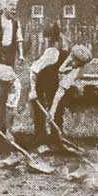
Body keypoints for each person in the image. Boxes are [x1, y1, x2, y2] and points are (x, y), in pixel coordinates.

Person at [29, 23, 70, 151]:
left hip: (53, 84)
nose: (61, 42)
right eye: (59, 40)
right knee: (40, 112)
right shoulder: (51, 54)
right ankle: (40, 141)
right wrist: (33, 90)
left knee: (57, 110)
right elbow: (33, 70)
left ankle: (56, 139)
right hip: (39, 83)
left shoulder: (65, 51)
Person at [46, 44, 94, 137]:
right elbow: (60, 68)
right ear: (72, 57)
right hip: (46, 74)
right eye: (77, 63)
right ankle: (44, 134)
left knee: (57, 105)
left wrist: (52, 111)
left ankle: (56, 132)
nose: (77, 66)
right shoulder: (62, 55)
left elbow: (60, 92)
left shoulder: (77, 71)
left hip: (57, 83)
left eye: (80, 65)